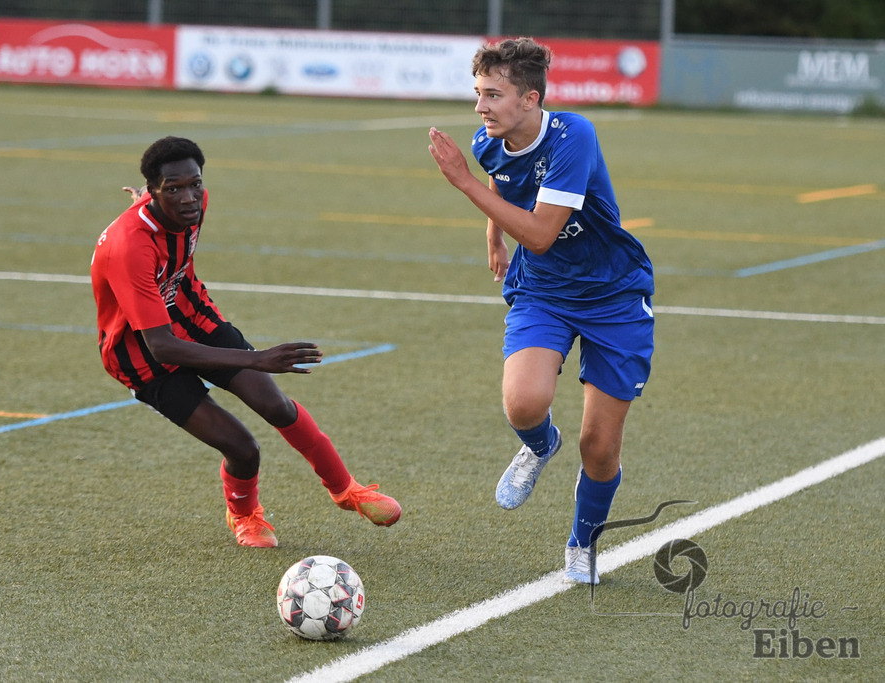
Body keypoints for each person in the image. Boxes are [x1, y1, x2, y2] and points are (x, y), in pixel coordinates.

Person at [90, 136, 401, 548]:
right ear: (155, 192)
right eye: (174, 189)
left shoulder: (191, 204)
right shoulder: (129, 247)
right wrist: (258, 359)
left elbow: (162, 195)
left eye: (194, 184)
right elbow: (161, 346)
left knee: (276, 404)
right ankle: (245, 516)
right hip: (142, 355)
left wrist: (150, 194)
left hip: (193, 317)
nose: (189, 198)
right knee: (242, 447)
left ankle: (347, 490)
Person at [428, 38, 654, 584]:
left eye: (493, 95)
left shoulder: (573, 135)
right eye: (477, 93)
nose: (480, 107)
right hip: (545, 290)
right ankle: (538, 445)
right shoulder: (489, 141)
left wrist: (458, 182)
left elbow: (542, 233)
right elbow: (498, 178)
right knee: (524, 403)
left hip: (614, 295)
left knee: (598, 447)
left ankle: (583, 542)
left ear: (530, 98)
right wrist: (492, 240)